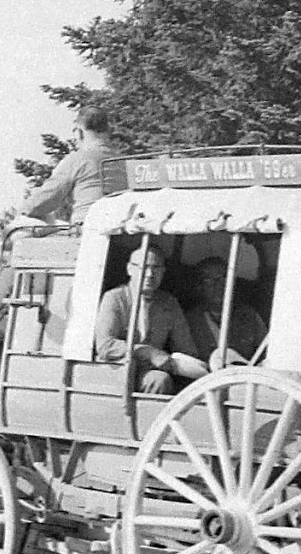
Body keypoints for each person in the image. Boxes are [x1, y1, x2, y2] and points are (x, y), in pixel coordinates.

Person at [94, 244, 206, 394]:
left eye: (156, 268)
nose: (149, 274)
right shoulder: (115, 298)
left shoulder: (168, 302)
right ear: (130, 269)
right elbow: (105, 345)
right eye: (143, 267)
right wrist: (149, 352)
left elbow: (186, 348)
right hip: (117, 370)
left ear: (163, 271)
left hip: (149, 371)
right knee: (159, 380)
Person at [18, 104, 124, 223]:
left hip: (87, 226)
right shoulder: (124, 161)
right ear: (108, 130)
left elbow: (47, 198)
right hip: (123, 227)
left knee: (23, 225)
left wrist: (23, 211)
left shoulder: (77, 160)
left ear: (79, 132)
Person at [185, 256, 268, 369]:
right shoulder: (190, 320)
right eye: (209, 280)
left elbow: (266, 352)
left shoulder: (249, 315)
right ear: (199, 287)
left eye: (224, 278)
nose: (218, 285)